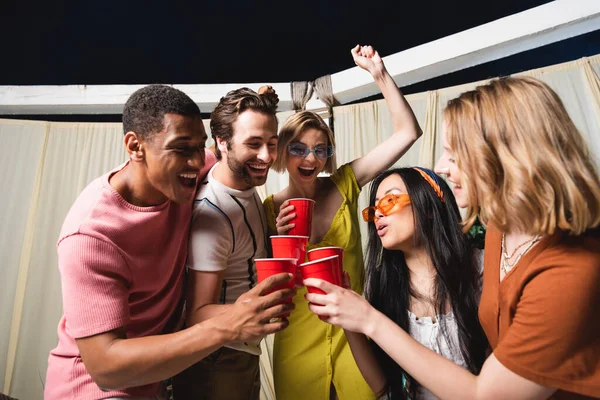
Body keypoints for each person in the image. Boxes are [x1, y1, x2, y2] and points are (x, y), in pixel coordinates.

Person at [304, 76, 600, 400]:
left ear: (503, 157)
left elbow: (486, 395)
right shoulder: (499, 230)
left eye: (454, 155)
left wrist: (368, 320)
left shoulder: (570, 271)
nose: (441, 166)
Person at [44, 84, 295, 400]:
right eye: (181, 148)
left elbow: (228, 151)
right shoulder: (90, 236)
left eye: (199, 147)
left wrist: (254, 106)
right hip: (96, 389)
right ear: (136, 146)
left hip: (159, 382)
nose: (195, 161)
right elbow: (104, 368)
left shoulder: (187, 173)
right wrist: (229, 324)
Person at [265, 45, 422, 400]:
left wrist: (379, 74)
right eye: (300, 148)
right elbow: (260, 281)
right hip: (295, 344)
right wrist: (275, 238)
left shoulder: (345, 182)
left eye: (320, 150)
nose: (311, 158)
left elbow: (408, 132)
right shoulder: (266, 210)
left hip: (355, 338)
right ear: (282, 151)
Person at [336, 166, 488, 400]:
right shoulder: (382, 287)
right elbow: (384, 388)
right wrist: (348, 320)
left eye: (389, 200)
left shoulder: (480, 269)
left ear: (427, 206)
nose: (377, 213)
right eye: (374, 208)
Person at [172, 86, 280, 399]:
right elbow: (197, 313)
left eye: (271, 143)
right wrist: (259, 309)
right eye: (254, 144)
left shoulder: (245, 180)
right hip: (217, 357)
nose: (267, 156)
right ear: (222, 142)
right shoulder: (212, 214)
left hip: (240, 352)